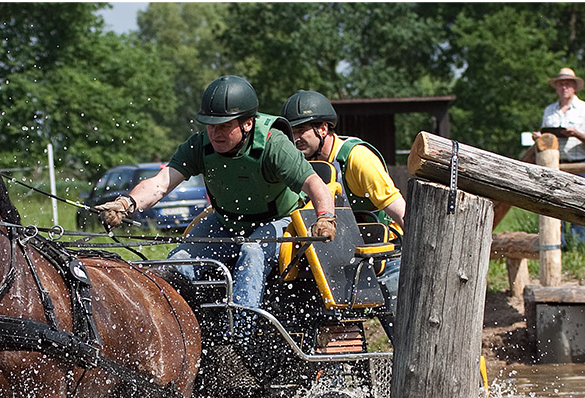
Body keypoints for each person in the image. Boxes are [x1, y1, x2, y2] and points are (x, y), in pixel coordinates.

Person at [97, 75, 335, 336]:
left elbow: (315, 183)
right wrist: (126, 203)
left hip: (278, 220)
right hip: (225, 220)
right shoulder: (199, 145)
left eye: (223, 126)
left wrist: (325, 218)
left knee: (252, 252)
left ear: (247, 123)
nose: (215, 133)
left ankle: (239, 337)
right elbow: (161, 183)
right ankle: (177, 332)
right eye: (210, 126)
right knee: (178, 261)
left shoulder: (273, 144)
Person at [281, 89, 405, 319]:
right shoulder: (298, 165)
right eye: (291, 132)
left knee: (399, 313)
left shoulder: (356, 158)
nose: (295, 138)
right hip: (337, 258)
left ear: (323, 129)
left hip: (384, 256)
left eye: (301, 130)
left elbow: (398, 208)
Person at [533, 67, 585, 245]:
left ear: (574, 87)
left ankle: (579, 245)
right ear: (556, 87)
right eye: (561, 84)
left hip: (579, 165)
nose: (564, 87)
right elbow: (545, 132)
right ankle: (559, 244)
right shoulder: (549, 110)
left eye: (567, 84)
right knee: (555, 206)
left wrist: (577, 134)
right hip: (554, 164)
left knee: (578, 207)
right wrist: (539, 137)